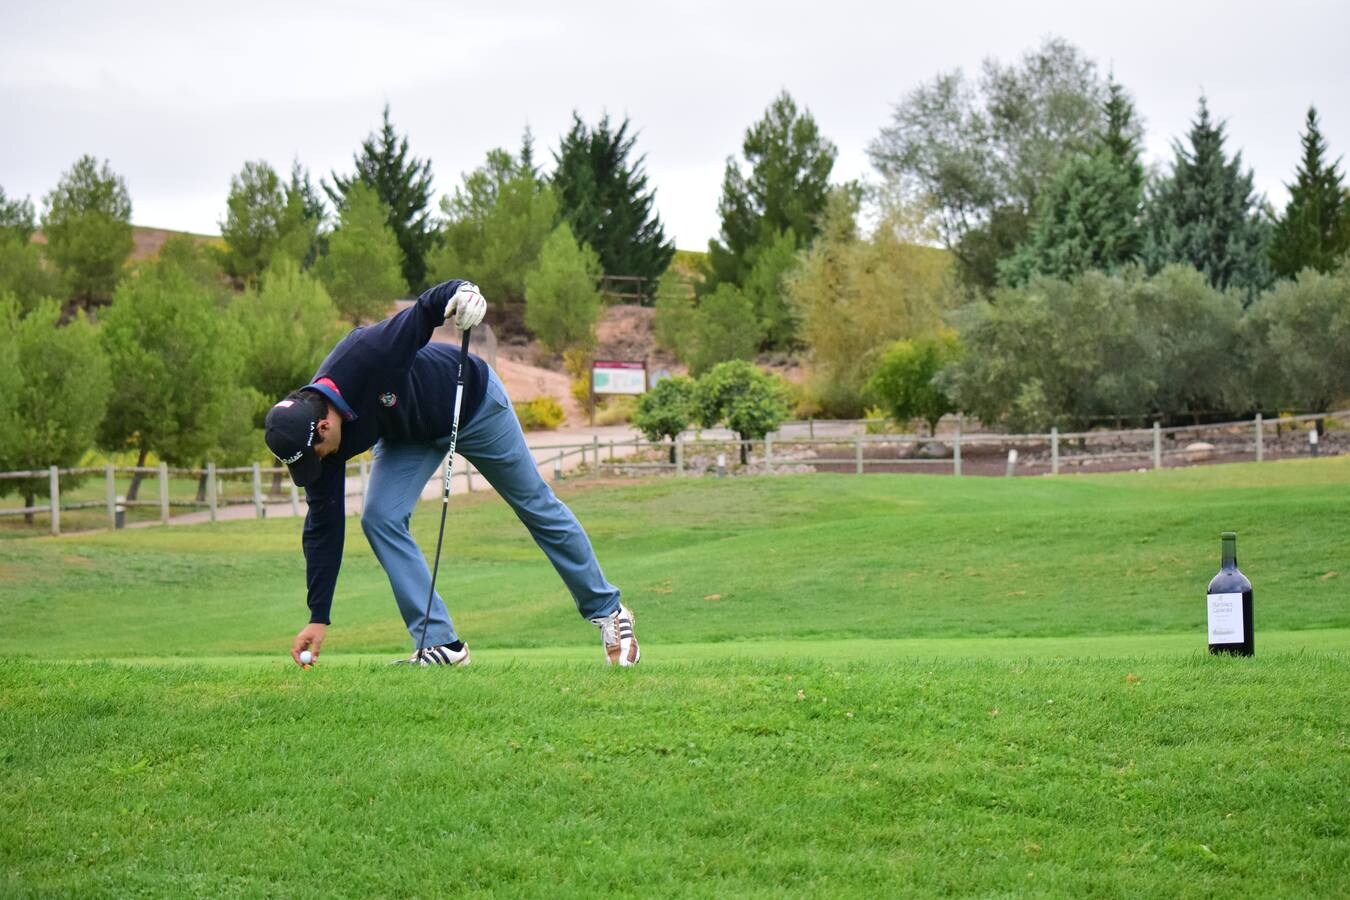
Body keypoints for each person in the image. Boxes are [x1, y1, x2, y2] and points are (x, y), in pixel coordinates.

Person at [263, 279, 639, 668]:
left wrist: (464, 292)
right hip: (408, 435)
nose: (319, 464)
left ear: (324, 427)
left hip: (473, 405)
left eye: (316, 455)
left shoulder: (367, 352)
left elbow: (426, 309)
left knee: (534, 503)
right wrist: (318, 615)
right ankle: (440, 644)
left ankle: (611, 613)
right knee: (380, 518)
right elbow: (323, 524)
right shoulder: (316, 439)